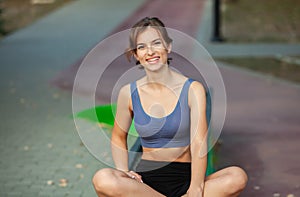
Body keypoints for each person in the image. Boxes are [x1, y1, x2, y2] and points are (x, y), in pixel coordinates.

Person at [92, 17, 248, 197]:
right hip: (146, 185)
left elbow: (199, 142)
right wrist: (124, 171)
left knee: (236, 176)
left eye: (156, 43)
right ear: (136, 54)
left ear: (168, 46)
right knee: (103, 179)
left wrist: (196, 187)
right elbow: (118, 137)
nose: (150, 51)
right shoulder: (128, 93)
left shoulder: (192, 89)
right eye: (142, 47)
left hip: (187, 180)